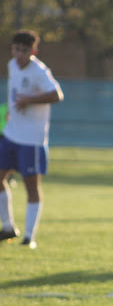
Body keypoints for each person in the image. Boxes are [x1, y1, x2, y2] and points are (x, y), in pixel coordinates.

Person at [0, 30, 64, 249]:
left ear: (33, 51)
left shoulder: (39, 71)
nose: (20, 54)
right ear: (12, 49)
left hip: (31, 140)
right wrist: (11, 111)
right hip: (11, 134)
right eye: (17, 49)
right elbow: (13, 92)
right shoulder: (11, 65)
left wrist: (30, 100)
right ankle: (8, 227)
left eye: (24, 50)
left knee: (31, 186)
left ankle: (29, 236)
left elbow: (57, 95)